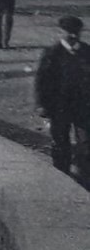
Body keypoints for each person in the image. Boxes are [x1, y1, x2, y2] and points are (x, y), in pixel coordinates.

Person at [35, 15, 90, 179]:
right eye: (69, 33)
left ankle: (85, 177)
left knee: (86, 143)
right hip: (59, 106)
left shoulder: (87, 51)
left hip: (84, 106)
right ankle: (62, 175)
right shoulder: (52, 53)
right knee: (60, 142)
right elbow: (42, 81)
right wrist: (41, 104)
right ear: (60, 32)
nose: (73, 36)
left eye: (76, 33)